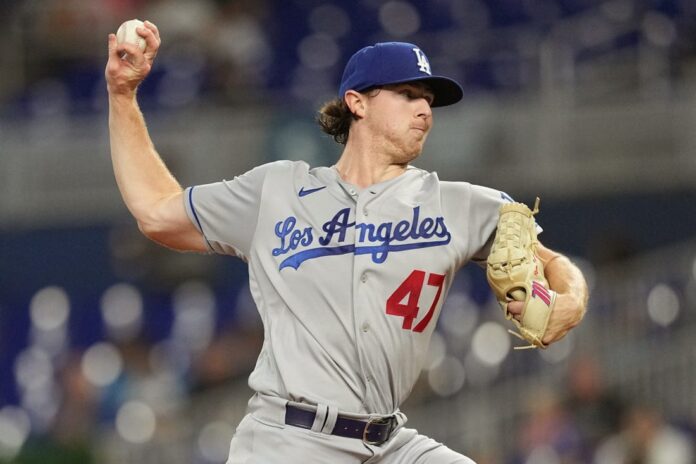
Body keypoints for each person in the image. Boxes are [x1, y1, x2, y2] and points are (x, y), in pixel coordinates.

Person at [105, 21, 588, 464]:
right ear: (357, 102)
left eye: (428, 99)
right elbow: (155, 211)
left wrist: (573, 299)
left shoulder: (460, 204)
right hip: (287, 440)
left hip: (389, 443)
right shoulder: (277, 191)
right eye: (407, 94)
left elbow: (552, 263)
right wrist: (122, 95)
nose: (425, 109)